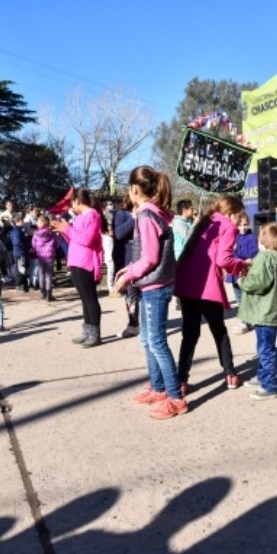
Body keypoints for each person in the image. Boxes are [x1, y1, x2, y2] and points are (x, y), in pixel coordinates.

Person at [115, 165, 185, 419]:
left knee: (156, 341)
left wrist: (128, 276)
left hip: (155, 286)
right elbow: (146, 256)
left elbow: (150, 258)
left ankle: (175, 397)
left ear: (134, 189)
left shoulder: (147, 214)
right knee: (147, 339)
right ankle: (158, 388)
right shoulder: (154, 212)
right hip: (154, 284)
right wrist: (129, 270)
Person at [175, 195, 248, 392]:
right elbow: (224, 260)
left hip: (186, 283)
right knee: (219, 330)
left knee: (189, 333)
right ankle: (230, 374)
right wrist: (241, 264)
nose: (240, 220)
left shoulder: (206, 221)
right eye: (239, 215)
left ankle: (181, 380)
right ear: (231, 212)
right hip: (206, 285)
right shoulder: (227, 226)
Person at [237, 222, 277, 400]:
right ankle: (262, 377)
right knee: (265, 348)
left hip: (264, 312)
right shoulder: (276, 258)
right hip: (269, 310)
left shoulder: (263, 258)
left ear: (264, 240)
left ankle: (269, 386)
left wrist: (242, 281)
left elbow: (258, 283)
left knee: (265, 350)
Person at [51, 187, 104, 348]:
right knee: (84, 299)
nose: (70, 205)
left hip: (85, 262)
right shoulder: (80, 217)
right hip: (75, 260)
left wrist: (67, 228)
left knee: (90, 298)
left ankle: (95, 334)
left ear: (78, 201)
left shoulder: (93, 215)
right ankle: (87, 330)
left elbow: (86, 239)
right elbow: (75, 239)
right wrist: (64, 230)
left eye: (72, 202)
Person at [113, 195, 139, 337]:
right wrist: (133, 218)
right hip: (127, 260)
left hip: (141, 259)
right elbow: (119, 234)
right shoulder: (121, 214)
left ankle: (139, 323)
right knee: (130, 295)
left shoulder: (144, 213)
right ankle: (133, 324)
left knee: (140, 294)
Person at [228, 213, 258, 335]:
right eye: (240, 224)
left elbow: (252, 253)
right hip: (235, 273)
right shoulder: (233, 235)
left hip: (246, 272)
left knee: (246, 298)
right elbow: (229, 254)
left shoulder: (251, 237)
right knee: (239, 298)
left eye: (245, 224)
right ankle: (245, 321)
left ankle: (245, 322)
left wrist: (237, 251)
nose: (243, 227)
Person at [31, 215, 58, 301]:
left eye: (38, 221)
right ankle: (49, 294)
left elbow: (33, 245)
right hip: (50, 256)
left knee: (41, 274)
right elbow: (56, 244)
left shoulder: (36, 234)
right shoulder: (51, 233)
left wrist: (36, 249)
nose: (37, 223)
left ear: (42, 223)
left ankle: (43, 292)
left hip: (40, 256)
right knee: (49, 275)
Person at [9, 213, 30, 292]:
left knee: (23, 269)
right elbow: (16, 242)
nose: (23, 222)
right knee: (20, 269)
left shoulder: (20, 230)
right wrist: (25, 247)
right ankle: (19, 285)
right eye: (22, 220)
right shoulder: (16, 231)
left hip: (22, 252)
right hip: (19, 253)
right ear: (18, 221)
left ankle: (24, 285)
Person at [102, 200, 116, 296]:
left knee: (108, 261)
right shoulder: (108, 214)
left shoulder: (107, 213)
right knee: (110, 262)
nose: (111, 205)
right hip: (106, 238)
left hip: (104, 237)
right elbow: (109, 226)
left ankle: (110, 286)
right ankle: (110, 287)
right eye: (109, 204)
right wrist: (110, 231)